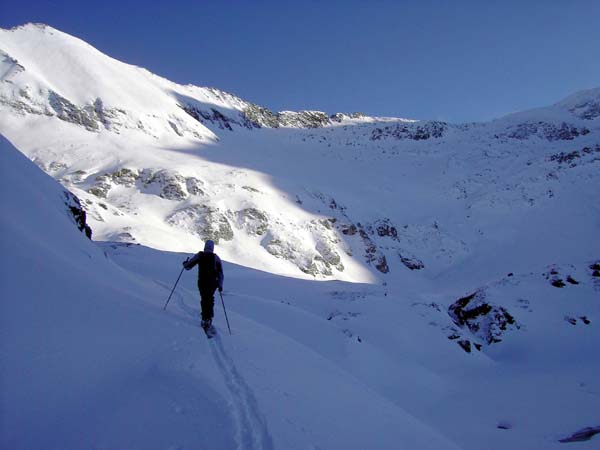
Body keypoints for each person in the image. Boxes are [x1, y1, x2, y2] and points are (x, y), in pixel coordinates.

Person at [183, 240, 224, 331]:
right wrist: (220, 285)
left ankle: (205, 318)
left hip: (202, 282)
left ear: (205, 246)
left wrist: (185, 263)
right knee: (210, 298)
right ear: (212, 248)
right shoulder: (215, 258)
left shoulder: (200, 255)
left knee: (204, 299)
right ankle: (209, 318)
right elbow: (220, 273)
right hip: (213, 283)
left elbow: (188, 266)